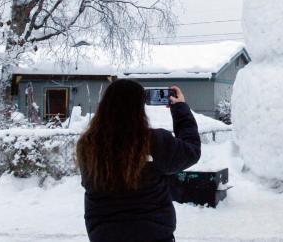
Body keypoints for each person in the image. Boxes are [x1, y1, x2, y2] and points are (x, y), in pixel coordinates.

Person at [76, 79, 200, 242]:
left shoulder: (88, 145)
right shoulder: (154, 142)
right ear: (139, 108)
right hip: (154, 236)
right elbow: (191, 150)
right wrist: (180, 108)